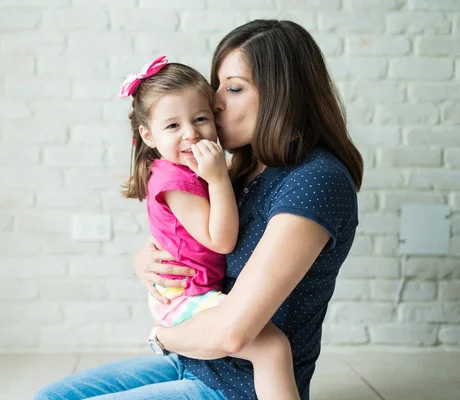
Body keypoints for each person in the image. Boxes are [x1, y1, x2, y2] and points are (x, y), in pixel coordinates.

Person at [34, 19, 363, 400]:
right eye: (217, 85)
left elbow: (233, 332)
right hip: (196, 363)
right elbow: (193, 238)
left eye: (234, 88)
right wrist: (146, 258)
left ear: (282, 95)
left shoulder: (315, 180)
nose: (216, 101)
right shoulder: (243, 170)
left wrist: (162, 335)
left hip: (238, 385)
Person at [118, 55, 299, 399]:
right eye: (173, 126)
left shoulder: (183, 171)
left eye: (201, 119)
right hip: (186, 299)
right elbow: (223, 239)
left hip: (189, 294)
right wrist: (217, 178)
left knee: (266, 348)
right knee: (272, 349)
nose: (190, 133)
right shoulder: (176, 179)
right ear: (149, 135)